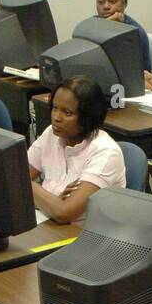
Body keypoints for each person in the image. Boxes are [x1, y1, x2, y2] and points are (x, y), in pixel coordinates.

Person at [27, 76, 126, 224]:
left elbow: (64, 213)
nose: (56, 117)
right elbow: (12, 182)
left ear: (88, 117)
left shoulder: (106, 153)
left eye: (67, 113)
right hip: (49, 225)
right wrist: (50, 201)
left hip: (89, 237)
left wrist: (31, 188)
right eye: (55, 108)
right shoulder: (51, 134)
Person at [94, 0, 151, 72]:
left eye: (112, 1)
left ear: (124, 3)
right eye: (100, 2)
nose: (106, 6)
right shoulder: (94, 25)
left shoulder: (134, 33)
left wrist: (108, 27)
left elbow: (127, 71)